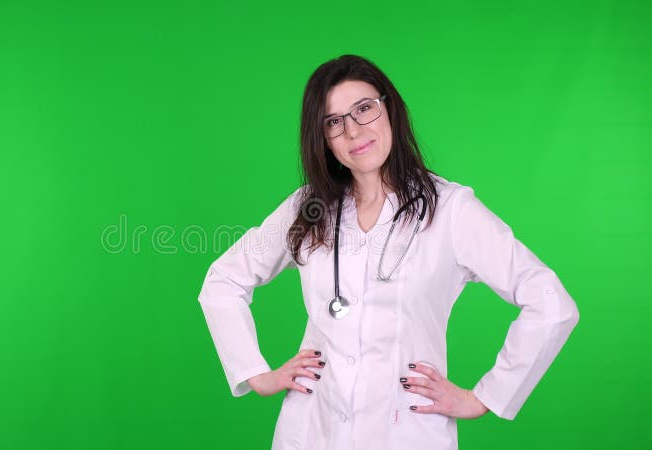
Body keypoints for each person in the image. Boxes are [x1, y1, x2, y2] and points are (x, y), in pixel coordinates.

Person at [197, 54, 579, 450]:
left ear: (389, 109)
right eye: (334, 122)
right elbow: (224, 280)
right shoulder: (308, 208)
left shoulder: (450, 210)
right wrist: (256, 373)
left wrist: (484, 397)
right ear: (322, 138)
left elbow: (550, 302)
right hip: (312, 432)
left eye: (364, 109)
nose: (353, 131)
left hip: (406, 433)